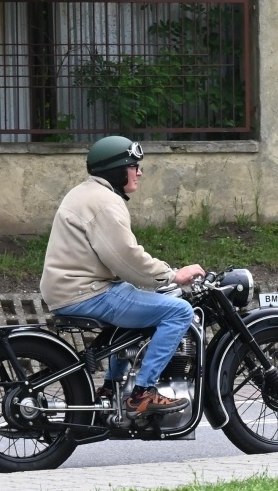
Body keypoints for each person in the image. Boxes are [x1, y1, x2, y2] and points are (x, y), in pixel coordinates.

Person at [40, 136, 206, 417]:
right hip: (87, 292)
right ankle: (143, 392)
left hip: (72, 289)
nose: (139, 172)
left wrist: (158, 278)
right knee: (179, 311)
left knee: (135, 308)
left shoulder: (85, 193)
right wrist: (173, 275)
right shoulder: (104, 202)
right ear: (116, 170)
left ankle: (111, 386)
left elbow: (120, 262)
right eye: (133, 166)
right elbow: (126, 258)